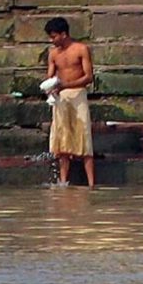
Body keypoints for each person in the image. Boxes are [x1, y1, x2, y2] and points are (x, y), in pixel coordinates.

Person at [45, 17, 96, 189]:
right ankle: (63, 181)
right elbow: (50, 77)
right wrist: (49, 87)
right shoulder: (53, 54)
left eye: (54, 37)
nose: (52, 40)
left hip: (78, 94)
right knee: (63, 140)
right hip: (61, 97)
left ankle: (91, 184)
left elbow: (88, 77)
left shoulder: (81, 49)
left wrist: (65, 85)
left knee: (84, 137)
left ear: (64, 34)